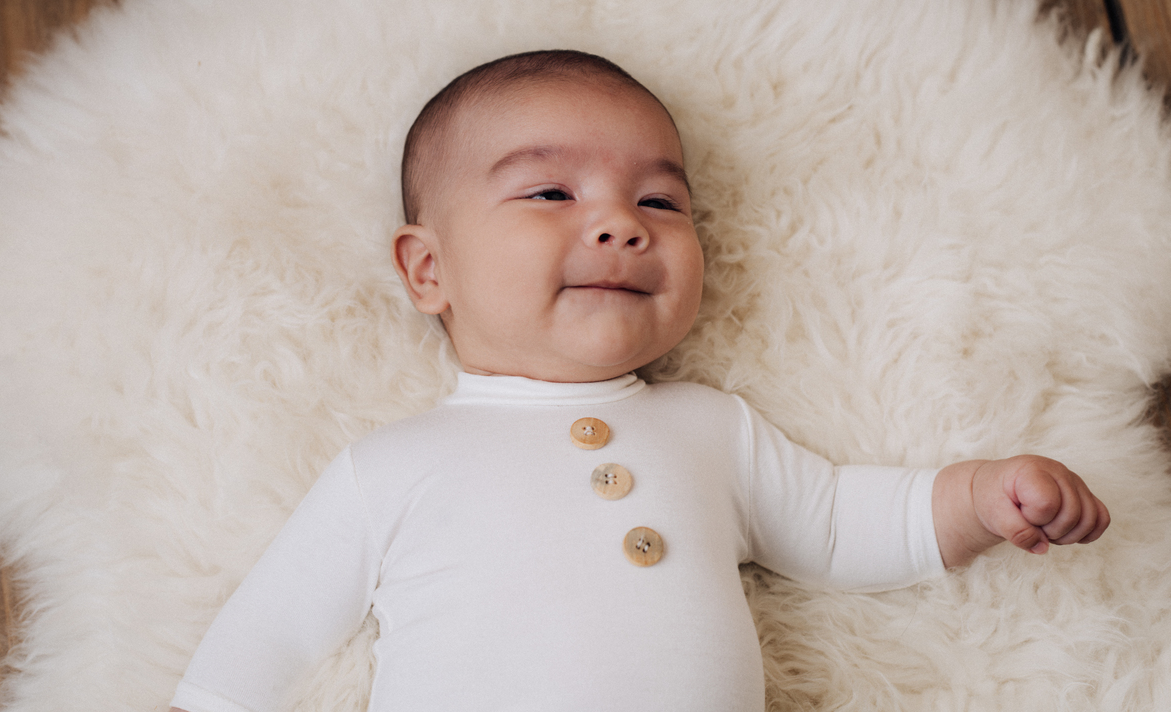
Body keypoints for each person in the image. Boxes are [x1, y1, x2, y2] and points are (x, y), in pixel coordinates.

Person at [170, 50, 1109, 712]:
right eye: (550, 192)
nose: (622, 224)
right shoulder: (393, 466)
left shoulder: (711, 429)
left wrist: (978, 498)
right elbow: (272, 630)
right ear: (428, 269)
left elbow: (834, 524)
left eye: (659, 200)